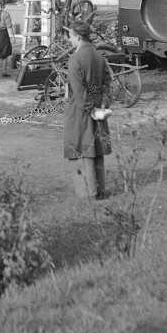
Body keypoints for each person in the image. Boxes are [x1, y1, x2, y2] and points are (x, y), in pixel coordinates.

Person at [63, 18, 113, 200]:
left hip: (81, 110)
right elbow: (107, 80)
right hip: (97, 106)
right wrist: (103, 103)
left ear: (77, 36)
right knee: (96, 148)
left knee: (81, 147)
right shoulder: (99, 56)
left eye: (70, 36)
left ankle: (87, 192)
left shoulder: (76, 59)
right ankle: (99, 189)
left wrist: (89, 108)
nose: (69, 39)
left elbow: (78, 90)